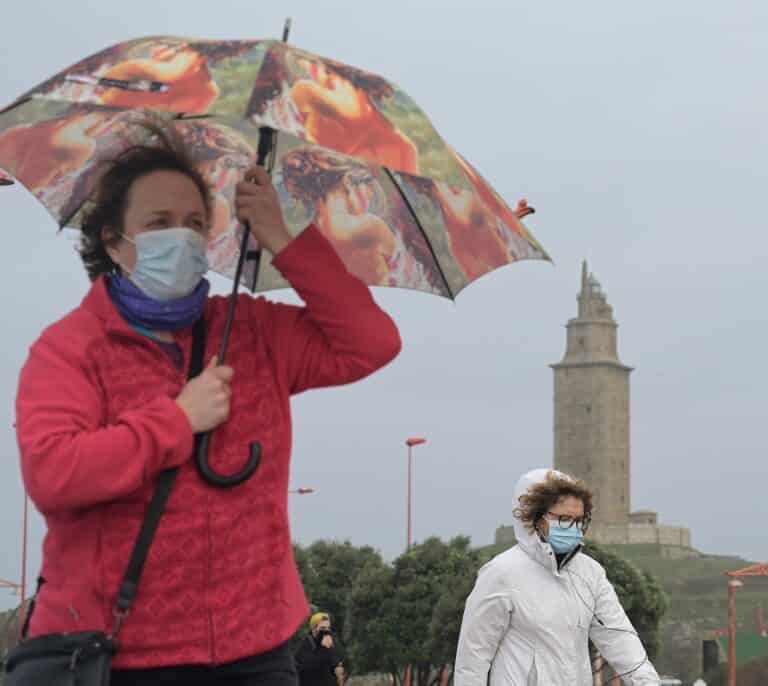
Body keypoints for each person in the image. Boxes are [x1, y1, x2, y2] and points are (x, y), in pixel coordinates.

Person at [14, 126, 401, 686]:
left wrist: (283, 239)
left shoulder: (254, 332)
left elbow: (371, 343)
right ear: (113, 240)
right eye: (158, 223)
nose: (182, 237)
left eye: (196, 223)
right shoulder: (69, 349)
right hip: (117, 656)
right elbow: (54, 472)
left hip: (255, 651)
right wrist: (175, 421)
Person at [454, 469, 661, 686]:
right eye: (563, 519)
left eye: (579, 520)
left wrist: (647, 682)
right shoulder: (501, 572)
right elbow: (473, 657)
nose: (573, 527)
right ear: (535, 517)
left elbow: (619, 638)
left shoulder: (591, 573)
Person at [294, 613, 344, 686]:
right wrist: (324, 649)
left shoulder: (331, 643)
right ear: (314, 629)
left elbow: (335, 664)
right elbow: (308, 669)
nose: (326, 631)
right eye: (322, 628)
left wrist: (337, 671)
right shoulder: (305, 646)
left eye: (328, 628)